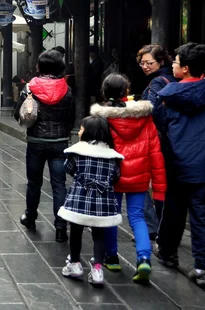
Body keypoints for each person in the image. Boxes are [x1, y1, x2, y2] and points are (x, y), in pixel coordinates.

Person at [90, 73, 166, 284]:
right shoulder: (144, 116)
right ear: (126, 92)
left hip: (111, 176)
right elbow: (155, 152)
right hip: (139, 177)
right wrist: (159, 186)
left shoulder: (102, 118)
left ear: (105, 92)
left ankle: (111, 257)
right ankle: (143, 258)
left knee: (112, 216)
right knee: (137, 217)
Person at [153, 43, 205, 289]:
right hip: (204, 163)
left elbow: (160, 126)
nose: (172, 65)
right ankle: (203, 267)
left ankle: (167, 251)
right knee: (202, 214)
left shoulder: (168, 97)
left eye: (175, 62)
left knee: (174, 211)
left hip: (177, 161)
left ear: (185, 69)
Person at [15, 50, 75, 243]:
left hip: (36, 142)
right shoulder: (67, 89)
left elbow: (19, 114)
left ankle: (30, 217)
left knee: (34, 182)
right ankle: (60, 227)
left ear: (39, 66)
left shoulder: (30, 87)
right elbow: (71, 117)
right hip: (59, 143)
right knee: (59, 185)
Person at [60, 116, 124, 286]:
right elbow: (116, 176)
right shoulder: (112, 156)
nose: (79, 132)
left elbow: (68, 168)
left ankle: (75, 264)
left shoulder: (78, 151)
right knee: (99, 234)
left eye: (81, 129)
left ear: (88, 132)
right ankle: (97, 270)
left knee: (76, 231)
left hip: (80, 199)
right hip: (103, 202)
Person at [137, 44, 176, 241]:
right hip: (171, 139)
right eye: (142, 63)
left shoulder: (157, 83)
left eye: (149, 63)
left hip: (154, 139)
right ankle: (162, 226)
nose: (144, 66)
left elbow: (151, 109)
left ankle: (152, 226)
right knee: (162, 184)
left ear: (161, 62)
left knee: (142, 182)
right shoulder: (172, 78)